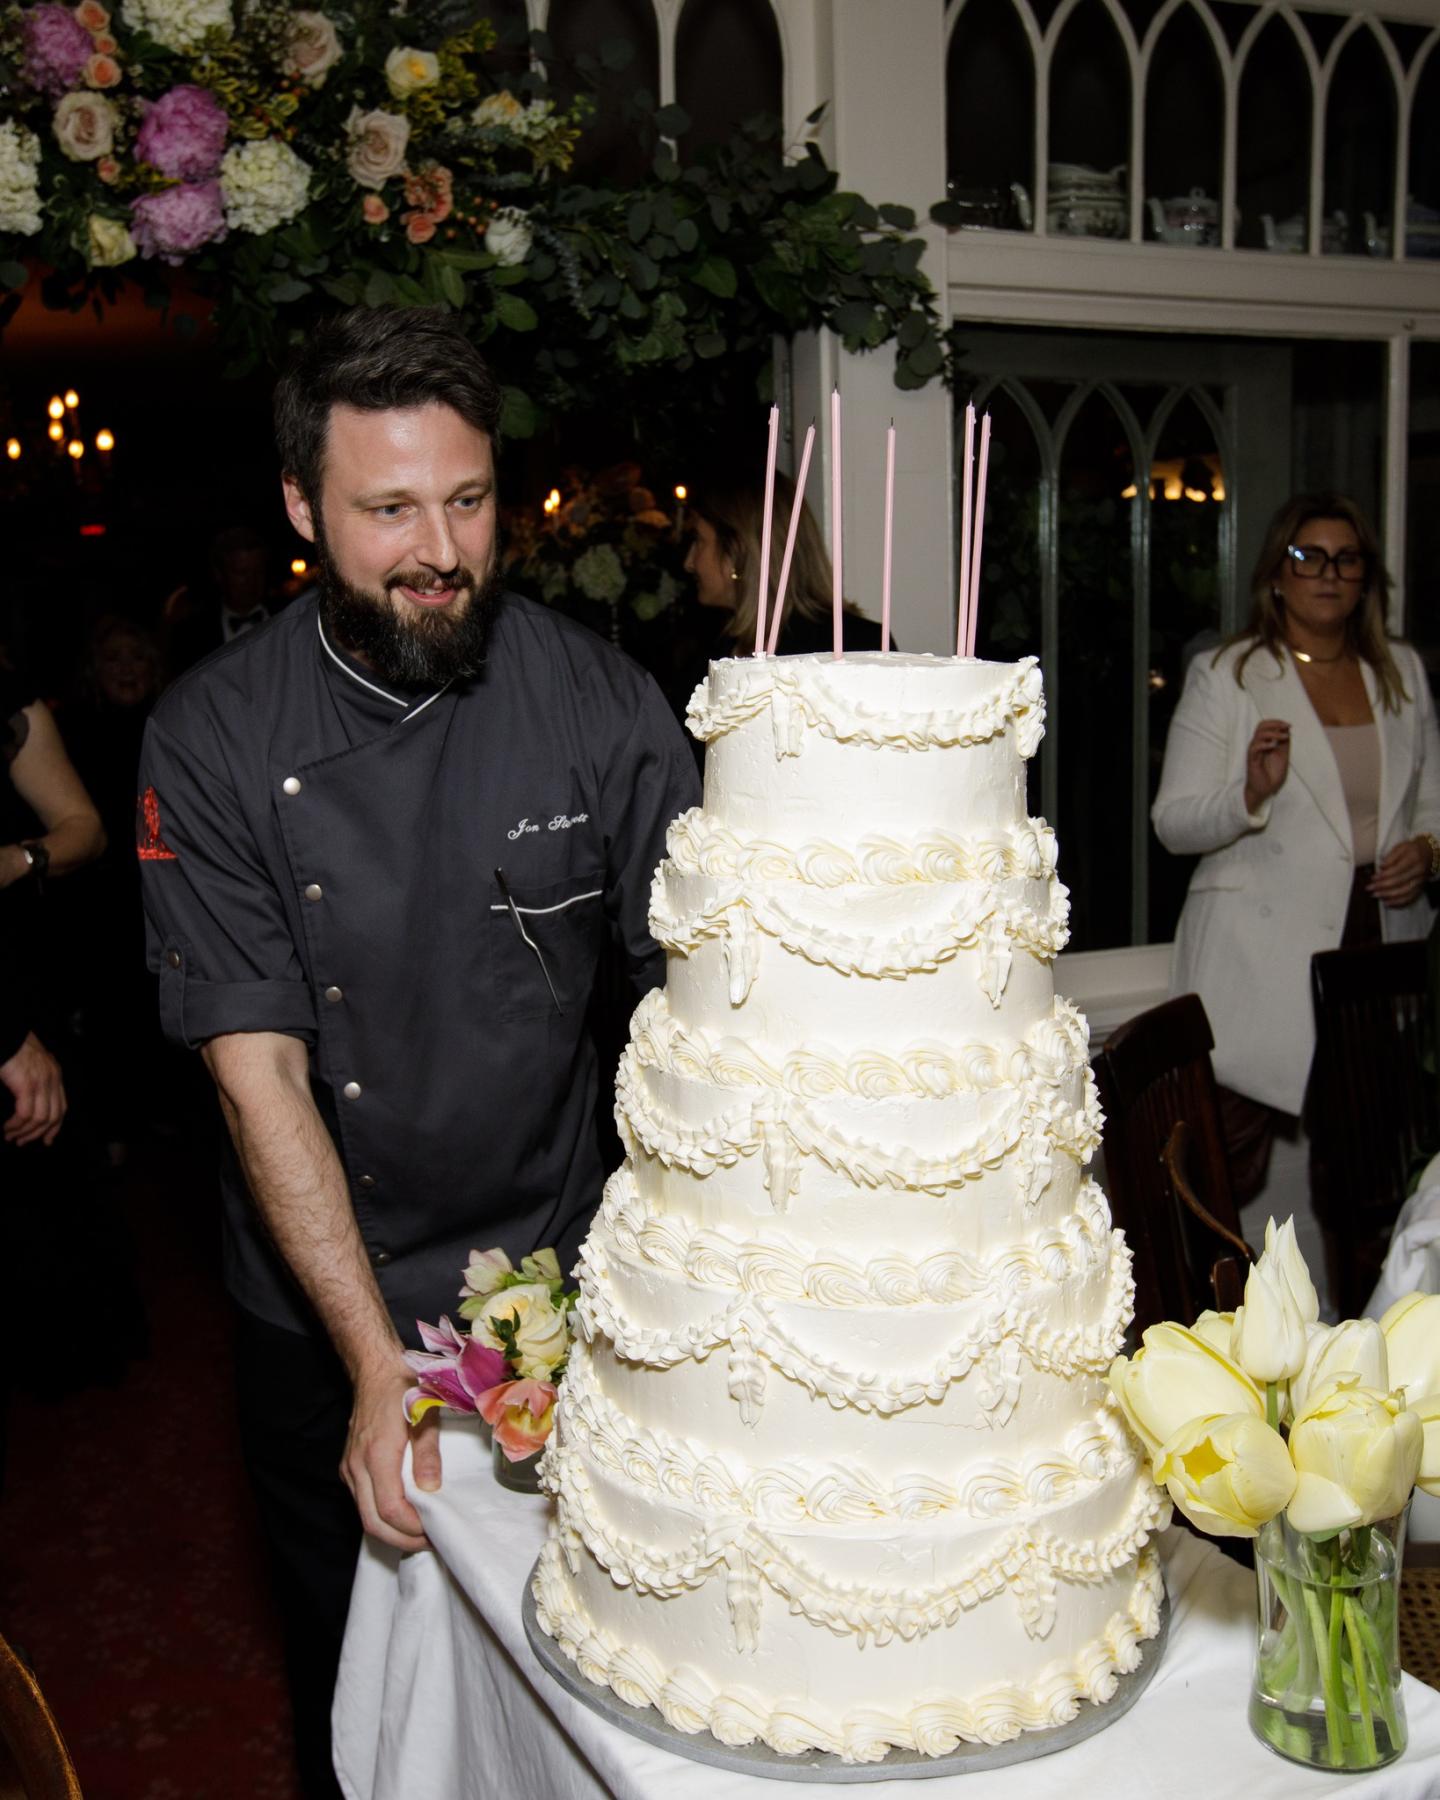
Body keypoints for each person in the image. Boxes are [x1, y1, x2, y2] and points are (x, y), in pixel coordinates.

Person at [135, 307, 699, 1799]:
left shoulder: (597, 700)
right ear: (300, 507)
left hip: (561, 1277)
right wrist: (374, 1366)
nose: (439, 551)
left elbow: (698, 998)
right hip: (327, 1293)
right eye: (389, 510)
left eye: (468, 500)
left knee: (591, 1666)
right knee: (357, 1691)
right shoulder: (213, 735)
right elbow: (256, 1069)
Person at [1152, 491, 1440, 1213]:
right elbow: (1173, 823)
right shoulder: (1229, 674)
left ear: (1366, 578)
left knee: (1371, 1179)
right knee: (1214, 1182)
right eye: (1309, 557)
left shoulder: (1400, 673)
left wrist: (1428, 851)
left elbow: (1432, 806)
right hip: (1256, 955)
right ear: (1277, 574)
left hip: (1376, 942)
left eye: (1347, 559)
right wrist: (1249, 794)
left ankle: (1371, 1288)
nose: (1329, 574)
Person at [684, 465, 891, 658]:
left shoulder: (854, 647)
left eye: (698, 540)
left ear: (737, 550)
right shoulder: (712, 646)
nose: (689, 563)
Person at [164, 524, 281, 675]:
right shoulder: (192, 634)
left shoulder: (288, 616)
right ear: (219, 574)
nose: (252, 581)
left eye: (258, 571)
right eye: (241, 573)